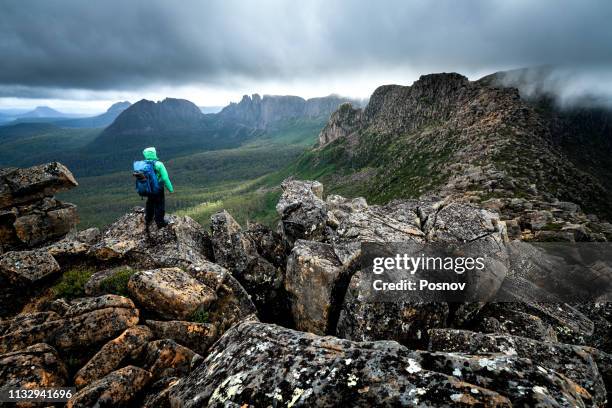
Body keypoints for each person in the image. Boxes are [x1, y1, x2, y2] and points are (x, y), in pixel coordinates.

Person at [142, 146, 174, 231]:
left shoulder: (143, 164)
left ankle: (148, 219)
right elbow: (165, 178)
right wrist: (170, 189)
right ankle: (160, 222)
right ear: (154, 154)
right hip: (158, 187)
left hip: (148, 188)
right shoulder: (159, 164)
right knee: (159, 204)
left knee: (150, 202)